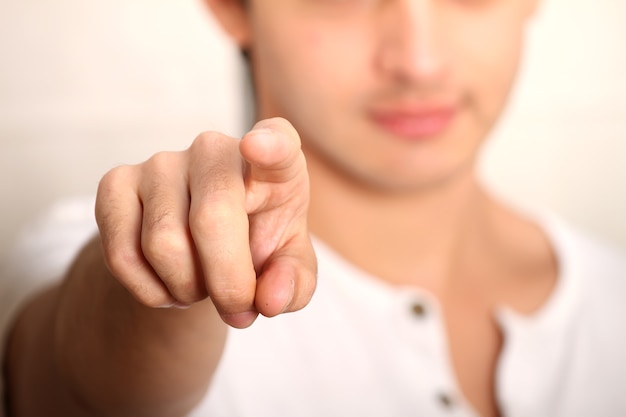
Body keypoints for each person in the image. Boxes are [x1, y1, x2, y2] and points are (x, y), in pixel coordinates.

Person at [2, 0, 626, 416]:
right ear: (231, 8)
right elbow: (79, 382)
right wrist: (168, 267)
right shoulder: (93, 254)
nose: (419, 61)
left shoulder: (613, 298)